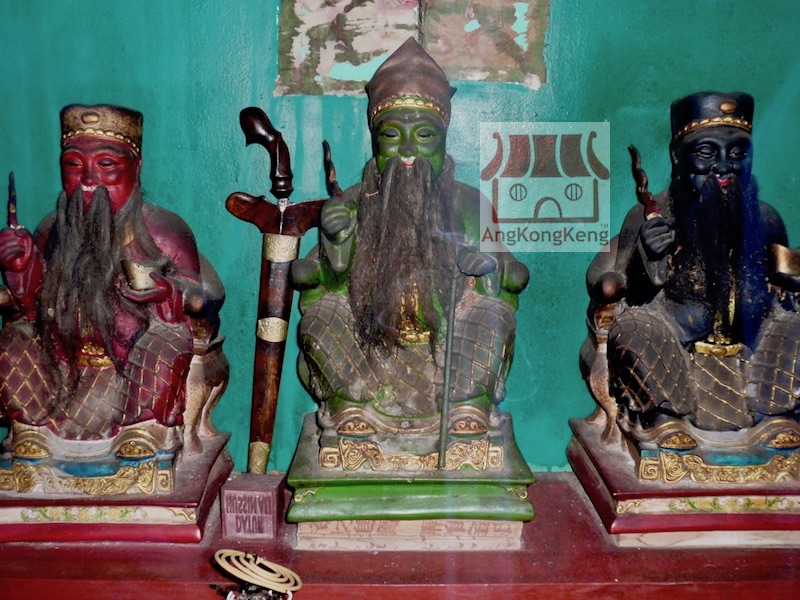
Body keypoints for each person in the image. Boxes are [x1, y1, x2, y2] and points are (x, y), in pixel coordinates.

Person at [292, 38, 529, 447]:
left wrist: (487, 269)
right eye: (391, 135)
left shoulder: (470, 203)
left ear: (443, 140)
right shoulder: (354, 201)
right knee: (322, 318)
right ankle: (354, 412)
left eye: (423, 135)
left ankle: (465, 409)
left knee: (492, 317)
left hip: (448, 344)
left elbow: (512, 276)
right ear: (375, 141)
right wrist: (336, 241)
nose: (406, 151)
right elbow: (313, 278)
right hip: (370, 344)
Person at [0, 104, 217, 443]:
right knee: (14, 344)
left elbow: (203, 296)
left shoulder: (163, 231)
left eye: (106, 165)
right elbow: (32, 307)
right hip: (63, 367)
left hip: (133, 365)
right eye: (74, 166)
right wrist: (22, 269)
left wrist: (169, 292)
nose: (88, 181)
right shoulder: (52, 229)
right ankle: (34, 437)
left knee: (166, 345)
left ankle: (141, 440)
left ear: (136, 167)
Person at [592, 91, 800, 438]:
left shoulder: (765, 219)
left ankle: (777, 419)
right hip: (677, 347)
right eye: (707, 153)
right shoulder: (650, 217)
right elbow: (625, 294)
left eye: (737, 154)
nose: (723, 167)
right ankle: (667, 423)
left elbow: (786, 281)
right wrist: (649, 256)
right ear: (677, 156)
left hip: (755, 350)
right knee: (634, 329)